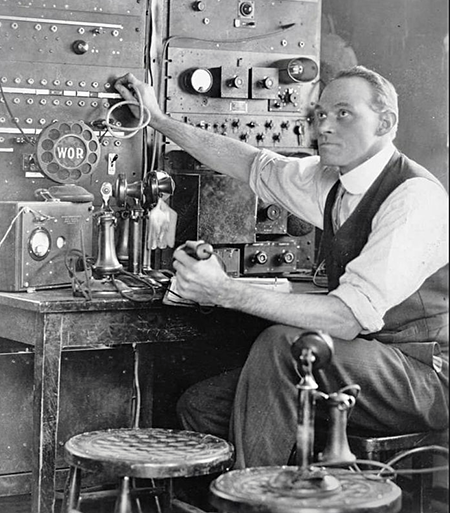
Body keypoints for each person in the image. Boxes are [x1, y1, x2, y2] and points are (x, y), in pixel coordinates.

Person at [114, 66, 448, 469]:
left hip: (422, 376)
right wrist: (160, 120)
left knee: (284, 346)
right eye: (320, 114)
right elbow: (250, 162)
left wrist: (224, 290)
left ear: (386, 122)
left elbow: (345, 318)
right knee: (202, 409)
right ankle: (233, 503)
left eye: (344, 114)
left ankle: (252, 508)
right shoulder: (334, 181)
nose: (324, 126)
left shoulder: (415, 199)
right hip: (364, 360)